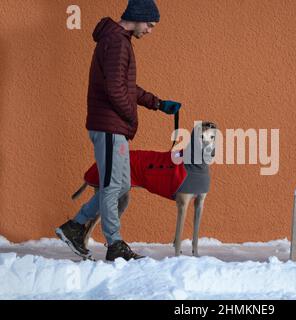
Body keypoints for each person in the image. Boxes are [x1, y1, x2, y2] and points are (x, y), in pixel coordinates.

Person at [56, 0, 181, 261]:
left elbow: (127, 87)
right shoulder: (116, 43)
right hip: (110, 127)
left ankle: (75, 226)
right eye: (150, 24)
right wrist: (130, 117)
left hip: (113, 126)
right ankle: (115, 245)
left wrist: (157, 103)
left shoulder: (118, 41)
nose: (150, 30)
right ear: (137, 17)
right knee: (114, 186)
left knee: (121, 186)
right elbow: (116, 90)